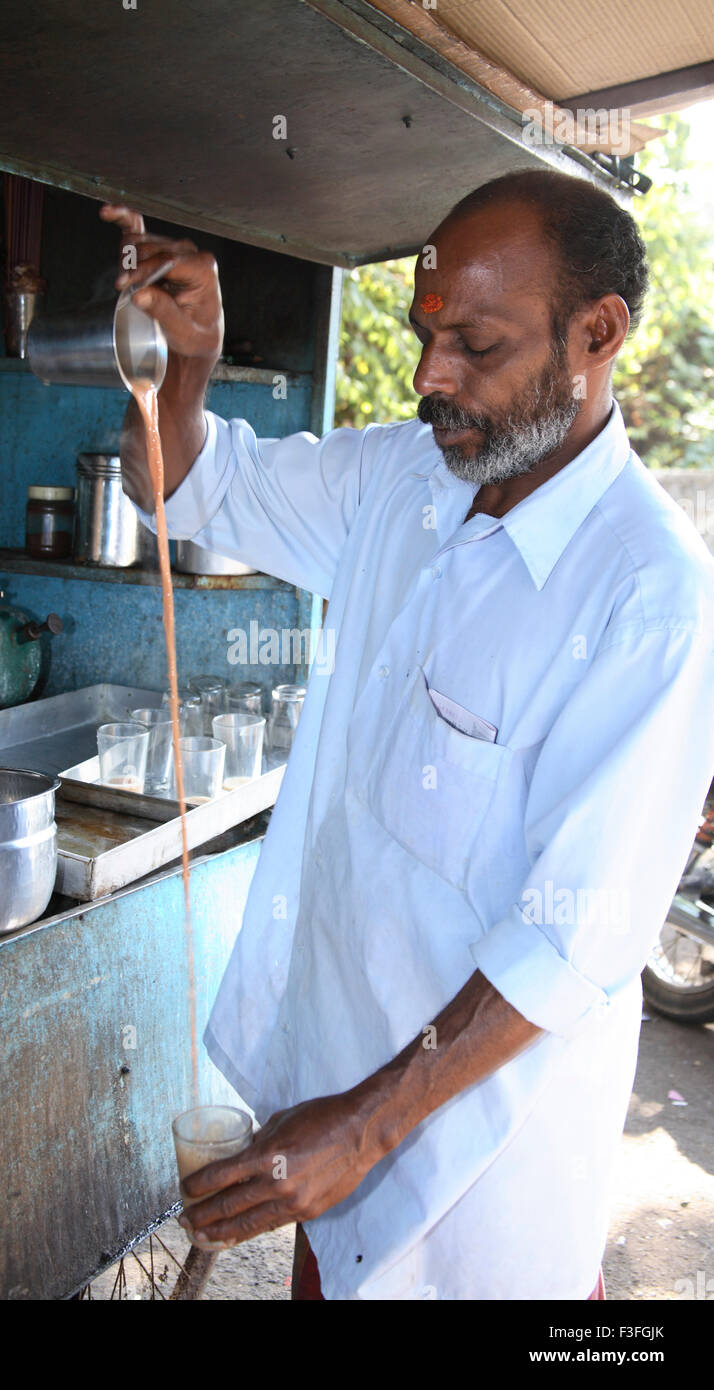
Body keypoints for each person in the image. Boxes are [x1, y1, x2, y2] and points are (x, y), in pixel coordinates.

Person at [100, 170, 714, 1300]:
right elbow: (190, 484)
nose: (431, 377)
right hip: (336, 1114)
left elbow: (573, 935)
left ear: (597, 331)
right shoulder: (403, 480)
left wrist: (364, 1131)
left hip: (481, 1185)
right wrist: (186, 366)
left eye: (474, 345)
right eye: (425, 335)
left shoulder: (649, 596)